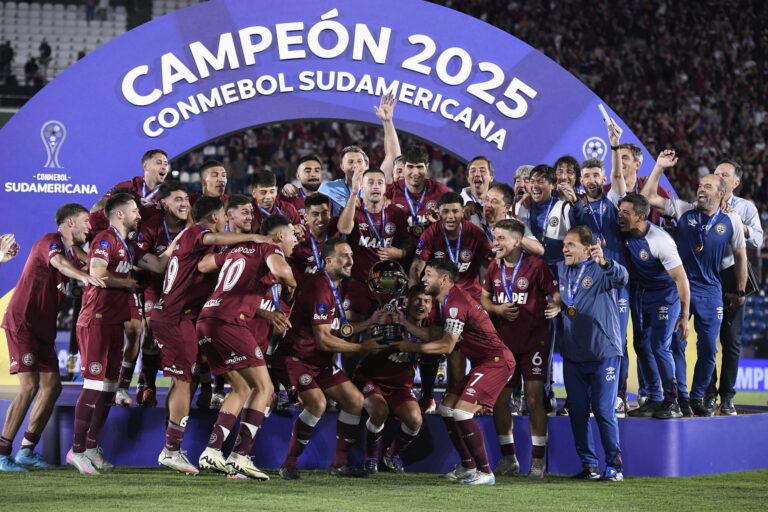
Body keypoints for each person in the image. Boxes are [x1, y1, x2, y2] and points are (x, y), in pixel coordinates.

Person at [152, 197, 273, 474]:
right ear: (217, 216)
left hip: (172, 314)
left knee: (184, 380)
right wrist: (255, 236)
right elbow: (211, 238)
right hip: (176, 316)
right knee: (184, 382)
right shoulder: (196, 232)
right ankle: (171, 450)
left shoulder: (186, 236)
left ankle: (173, 448)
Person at [68, 194, 176, 475]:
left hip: (114, 322)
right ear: (118, 215)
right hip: (96, 320)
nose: (139, 216)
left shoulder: (127, 244)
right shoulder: (105, 238)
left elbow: (160, 265)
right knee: (92, 386)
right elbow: (98, 273)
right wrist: (127, 282)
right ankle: (76, 450)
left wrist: (181, 239)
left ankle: (91, 446)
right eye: (133, 211)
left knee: (108, 389)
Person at [641, 150, 748, 417]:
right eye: (700, 185)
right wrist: (659, 168)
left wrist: (740, 290)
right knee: (676, 344)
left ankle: (699, 396)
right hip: (679, 289)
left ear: (721, 194)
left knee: (709, 348)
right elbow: (646, 199)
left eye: (708, 186)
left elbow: (741, 257)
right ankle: (682, 397)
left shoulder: (732, 220)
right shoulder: (683, 209)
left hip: (711, 291)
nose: (701, 189)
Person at [0, 205, 104, 472]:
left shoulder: (73, 252)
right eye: (84, 222)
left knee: (52, 386)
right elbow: (59, 264)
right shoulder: (50, 241)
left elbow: (91, 263)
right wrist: (84, 277)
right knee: (29, 387)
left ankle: (26, 451)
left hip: (43, 329)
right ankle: (2, 454)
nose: (88, 227)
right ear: (69, 222)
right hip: (23, 322)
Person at [394, 258, 515, 486]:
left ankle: (486, 472)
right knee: (447, 407)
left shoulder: (455, 303)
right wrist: (407, 325)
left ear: (444, 279)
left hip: (497, 362)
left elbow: (446, 346)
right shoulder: (449, 300)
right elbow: (438, 334)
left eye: (428, 274)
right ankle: (468, 466)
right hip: (485, 362)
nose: (423, 278)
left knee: (461, 413)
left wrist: (410, 346)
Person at [195, 214, 297, 479]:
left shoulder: (237, 248)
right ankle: (241, 456)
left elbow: (204, 264)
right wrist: (292, 284)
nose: (296, 241)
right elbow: (279, 270)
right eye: (293, 235)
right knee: (265, 388)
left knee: (240, 388)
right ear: (280, 236)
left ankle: (213, 450)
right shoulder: (270, 247)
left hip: (206, 319)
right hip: (230, 322)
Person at [273, 239, 383, 480]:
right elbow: (324, 340)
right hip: (296, 358)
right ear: (328, 261)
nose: (351, 261)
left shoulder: (337, 285)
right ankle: (288, 464)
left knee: (354, 400)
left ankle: (340, 464)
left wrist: (368, 323)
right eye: (344, 256)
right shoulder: (319, 288)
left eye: (352, 255)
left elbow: (337, 329)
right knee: (317, 403)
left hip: (318, 361)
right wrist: (362, 346)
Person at [481, 219, 560, 478]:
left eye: (501, 238)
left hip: (534, 343)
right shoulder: (494, 267)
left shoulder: (536, 266)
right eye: (495, 238)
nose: (496, 243)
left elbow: (555, 294)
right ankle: (509, 459)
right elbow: (484, 297)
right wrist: (496, 309)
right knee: (500, 400)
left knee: (534, 398)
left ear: (517, 241)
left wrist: (556, 305)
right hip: (505, 346)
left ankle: (538, 461)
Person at [557, 226, 628, 481]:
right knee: (576, 410)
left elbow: (623, 279)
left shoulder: (602, 268)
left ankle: (614, 466)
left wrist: (607, 262)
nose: (565, 248)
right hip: (574, 353)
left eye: (571, 245)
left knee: (602, 409)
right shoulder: (561, 268)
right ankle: (590, 465)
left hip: (604, 351)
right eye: (564, 244)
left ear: (587, 248)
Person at [410, 192, 493, 395]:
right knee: (432, 343)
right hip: (439, 298)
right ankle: (428, 395)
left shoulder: (475, 233)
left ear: (463, 212)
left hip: (468, 299)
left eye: (455, 211)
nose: (450, 216)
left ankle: (459, 395)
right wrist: (412, 297)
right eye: (445, 211)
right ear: (438, 213)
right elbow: (416, 267)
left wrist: (487, 297)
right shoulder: (431, 233)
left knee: (462, 349)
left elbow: (490, 265)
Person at [617, 194, 690, 418]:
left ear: (641, 216)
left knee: (660, 346)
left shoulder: (660, 240)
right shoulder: (625, 232)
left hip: (665, 297)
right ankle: (654, 399)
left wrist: (685, 316)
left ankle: (672, 402)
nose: (619, 216)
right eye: (619, 211)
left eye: (625, 213)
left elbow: (682, 280)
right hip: (643, 294)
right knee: (641, 345)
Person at [568, 157, 631, 416]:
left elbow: (619, 175)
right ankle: (586, 397)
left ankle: (618, 396)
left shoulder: (615, 202)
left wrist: (614, 146)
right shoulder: (575, 208)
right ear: (581, 180)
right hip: (585, 281)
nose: (592, 180)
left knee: (619, 340)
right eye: (587, 176)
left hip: (614, 279)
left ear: (603, 179)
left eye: (596, 175)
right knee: (588, 336)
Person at [123, 181, 190, 408]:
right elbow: (140, 263)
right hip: (154, 287)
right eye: (178, 199)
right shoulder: (151, 226)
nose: (184, 204)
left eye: (187, 199)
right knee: (151, 332)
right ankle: (148, 385)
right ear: (163, 203)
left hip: (183, 291)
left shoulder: (191, 227)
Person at [707, 159, 764, 414]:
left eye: (725, 174)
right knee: (706, 340)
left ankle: (727, 396)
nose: (719, 176)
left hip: (734, 278)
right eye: (716, 173)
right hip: (707, 278)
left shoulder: (745, 207)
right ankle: (707, 393)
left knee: (730, 341)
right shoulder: (703, 202)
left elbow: (759, 239)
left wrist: (737, 223)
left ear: (736, 182)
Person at [354, 284, 431, 474]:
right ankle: (371, 458)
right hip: (372, 379)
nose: (422, 305)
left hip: (400, 386)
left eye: (427, 301)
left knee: (414, 419)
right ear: (407, 301)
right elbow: (369, 344)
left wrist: (428, 393)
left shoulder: (431, 331)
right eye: (417, 299)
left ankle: (391, 455)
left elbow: (433, 362)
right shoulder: (390, 321)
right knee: (379, 411)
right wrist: (377, 336)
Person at [337, 168, 410, 326]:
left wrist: (401, 252)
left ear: (385, 188)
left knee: (394, 325)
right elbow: (343, 229)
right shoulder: (353, 211)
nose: (375, 186)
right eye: (370, 183)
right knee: (348, 323)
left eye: (380, 183)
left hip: (390, 283)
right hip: (360, 284)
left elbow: (409, 241)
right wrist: (353, 193)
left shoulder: (397, 213)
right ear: (362, 186)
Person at [318, 94, 400, 214]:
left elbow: (393, 157)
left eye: (359, 161)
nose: (355, 165)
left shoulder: (376, 185)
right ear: (342, 166)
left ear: (367, 165)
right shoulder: (327, 188)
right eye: (350, 162)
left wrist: (387, 122)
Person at [386, 145, 451, 240]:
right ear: (404, 167)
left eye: (420, 167)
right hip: (399, 249)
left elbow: (458, 210)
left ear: (427, 167)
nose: (415, 172)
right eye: (410, 167)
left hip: (430, 249)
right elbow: (367, 196)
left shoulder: (440, 190)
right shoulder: (392, 189)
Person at [288, 193, 337, 289]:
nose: (320, 219)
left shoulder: (336, 231)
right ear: (306, 217)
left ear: (330, 214)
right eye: (315, 214)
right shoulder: (297, 239)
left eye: (324, 213)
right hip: (306, 296)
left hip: (334, 295)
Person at [278, 154, 326, 219]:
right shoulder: (288, 198)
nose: (313, 174)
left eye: (317, 170)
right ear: (298, 176)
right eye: (308, 171)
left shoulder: (328, 200)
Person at [460, 156, 494, 233]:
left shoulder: (501, 205)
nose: (477, 174)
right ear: (468, 178)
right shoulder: (457, 204)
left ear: (491, 178)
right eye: (473, 171)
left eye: (482, 170)